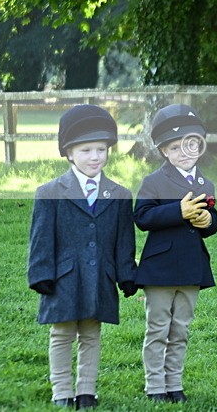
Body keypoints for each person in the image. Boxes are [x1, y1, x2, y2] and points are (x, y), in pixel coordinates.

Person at [28, 104, 137, 409]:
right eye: (86, 150)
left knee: (91, 333)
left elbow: (124, 241)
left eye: (101, 149)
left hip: (99, 276)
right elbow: (41, 239)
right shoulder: (49, 192)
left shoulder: (119, 194)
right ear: (69, 153)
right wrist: (40, 273)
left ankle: (86, 391)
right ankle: (62, 392)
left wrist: (126, 273)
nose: (95, 157)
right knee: (62, 333)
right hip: (62, 278)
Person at [134, 104, 217, 404]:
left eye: (191, 144)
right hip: (159, 270)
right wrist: (178, 211)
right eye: (175, 147)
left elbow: (212, 220)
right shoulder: (153, 182)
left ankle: (175, 384)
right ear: (164, 151)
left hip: (191, 269)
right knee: (158, 328)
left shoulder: (204, 184)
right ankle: (156, 386)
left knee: (180, 330)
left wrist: (209, 221)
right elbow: (142, 217)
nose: (185, 151)